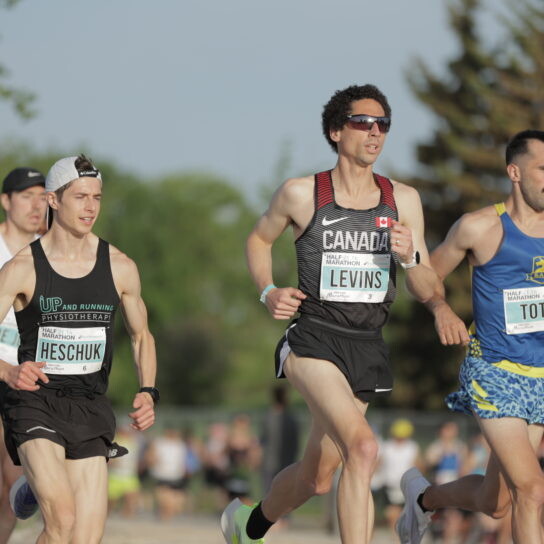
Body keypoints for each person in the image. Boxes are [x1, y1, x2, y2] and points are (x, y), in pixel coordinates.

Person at [221, 84, 438, 544]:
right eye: (363, 122)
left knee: (317, 478)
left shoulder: (403, 200)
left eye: (383, 124)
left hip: (367, 346)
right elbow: (258, 239)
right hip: (313, 338)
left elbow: (426, 288)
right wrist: (267, 291)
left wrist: (411, 258)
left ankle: (246, 525)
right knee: (364, 448)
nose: (375, 132)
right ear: (336, 131)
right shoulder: (302, 193)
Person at [0, 154, 158, 544]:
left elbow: (141, 336)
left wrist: (147, 390)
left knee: (86, 538)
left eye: (97, 197)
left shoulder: (120, 265)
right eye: (80, 197)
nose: (90, 207)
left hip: (90, 405)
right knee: (62, 520)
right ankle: (35, 480)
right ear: (53, 200)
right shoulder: (22, 267)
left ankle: (33, 485)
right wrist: (8, 371)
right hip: (35, 401)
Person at [397, 130, 544, 544]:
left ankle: (423, 499)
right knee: (532, 490)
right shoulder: (479, 227)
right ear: (515, 172)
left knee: (496, 502)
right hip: (494, 371)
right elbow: (424, 278)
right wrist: (441, 308)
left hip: (540, 376)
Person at [0, 167, 47, 543]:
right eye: (27, 196)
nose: (37, 205)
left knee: (10, 487)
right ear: (5, 201)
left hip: (29, 375)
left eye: (43, 197)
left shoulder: (52, 251)